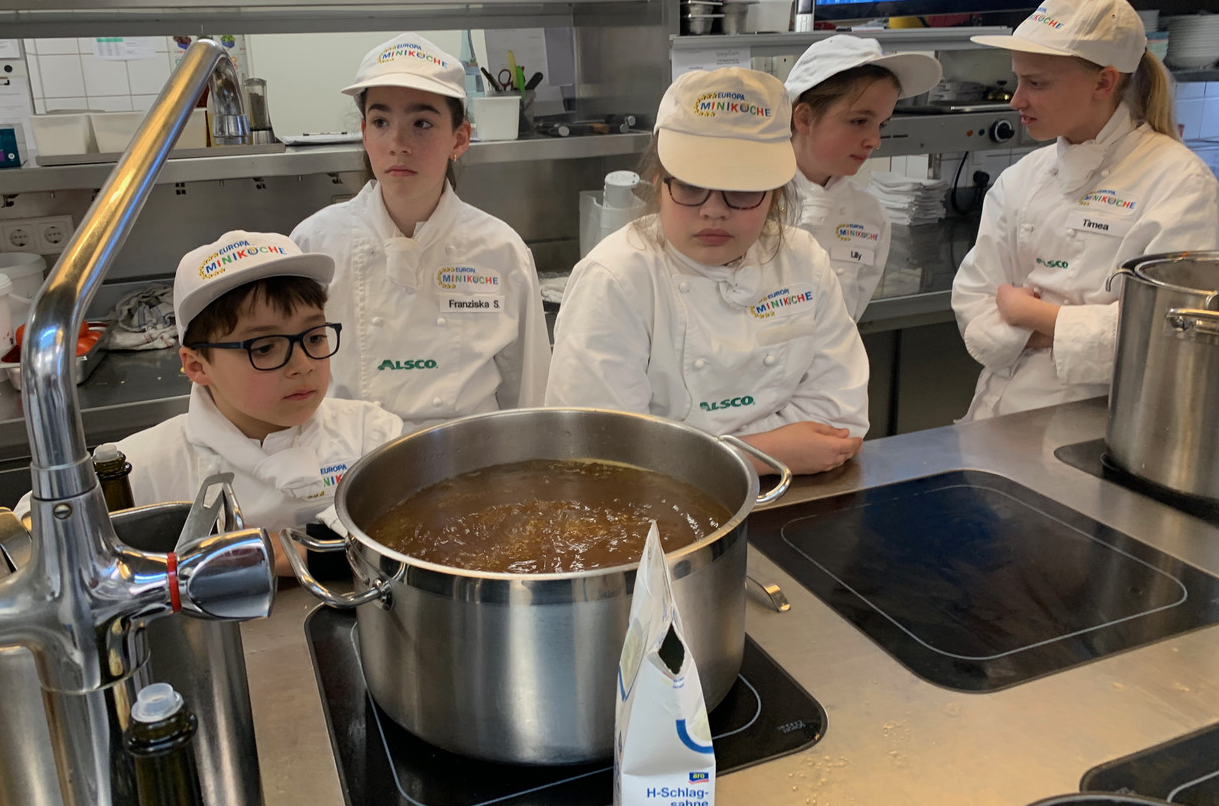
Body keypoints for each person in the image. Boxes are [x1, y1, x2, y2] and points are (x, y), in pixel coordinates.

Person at [546, 67, 869, 475]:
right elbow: (600, 454)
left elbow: (841, 420)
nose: (714, 210)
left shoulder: (803, 260)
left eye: (743, 190)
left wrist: (687, 454)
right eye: (691, 185)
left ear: (775, 194)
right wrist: (766, 453)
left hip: (804, 495)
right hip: (657, 508)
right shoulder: (616, 279)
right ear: (659, 182)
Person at [17, 231, 404, 557]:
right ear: (197, 365)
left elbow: (400, 539)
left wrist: (253, 556)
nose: (302, 364)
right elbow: (32, 533)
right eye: (264, 347)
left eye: (314, 337)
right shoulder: (146, 464)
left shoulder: (369, 434)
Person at [952, 0, 1219, 421]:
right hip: (995, 418)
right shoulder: (1024, 177)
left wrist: (1031, 314)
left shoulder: (1180, 184)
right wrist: (1063, 325)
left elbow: (1167, 333)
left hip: (1096, 428)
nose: (1017, 100)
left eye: (1037, 83)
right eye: (1018, 80)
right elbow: (972, 299)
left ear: (1104, 82)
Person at [291, 33, 550, 432]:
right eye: (381, 122)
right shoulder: (314, 247)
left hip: (470, 460)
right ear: (364, 133)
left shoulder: (500, 251)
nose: (398, 144)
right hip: (348, 460)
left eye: (422, 124)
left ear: (459, 139)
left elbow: (532, 400)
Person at [783, 35, 943, 320]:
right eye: (859, 121)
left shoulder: (868, 214)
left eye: (881, 124)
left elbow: (850, 316)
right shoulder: (746, 201)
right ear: (804, 118)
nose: (874, 140)